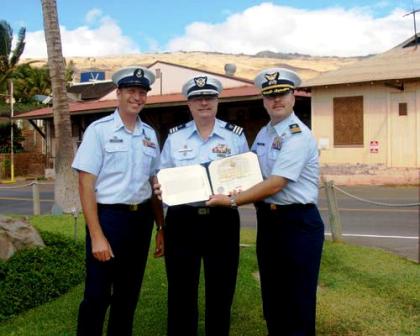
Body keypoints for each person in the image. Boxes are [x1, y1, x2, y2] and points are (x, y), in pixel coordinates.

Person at [207, 68, 324, 336]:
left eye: (282, 94)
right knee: (273, 296)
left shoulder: (297, 135)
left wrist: (231, 199)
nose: (276, 100)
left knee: (298, 299)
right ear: (263, 99)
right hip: (270, 223)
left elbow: (275, 183)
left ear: (293, 96)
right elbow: (250, 173)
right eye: (270, 96)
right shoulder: (264, 133)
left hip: (298, 224)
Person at [72, 66, 164, 336]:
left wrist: (161, 227)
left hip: (141, 221)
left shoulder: (150, 135)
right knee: (97, 295)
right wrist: (97, 235)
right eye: (131, 91)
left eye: (142, 92)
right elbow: (85, 184)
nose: (137, 97)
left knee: (128, 295)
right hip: (108, 219)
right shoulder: (98, 131)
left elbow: (153, 183)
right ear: (119, 94)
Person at [158, 75, 249, 336]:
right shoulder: (175, 138)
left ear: (218, 101)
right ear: (189, 103)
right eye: (197, 98)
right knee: (181, 291)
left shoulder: (235, 137)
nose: (204, 103)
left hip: (222, 220)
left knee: (221, 291)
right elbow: (163, 175)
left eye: (209, 97)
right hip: (182, 220)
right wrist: (160, 186)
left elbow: (246, 176)